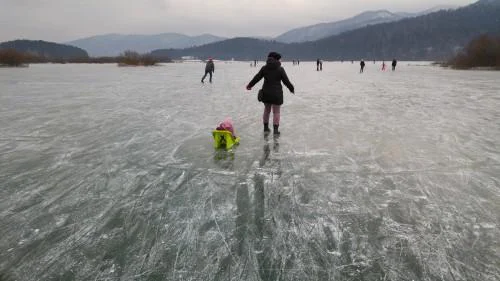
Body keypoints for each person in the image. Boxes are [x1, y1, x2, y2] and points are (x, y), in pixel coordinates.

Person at [246, 52, 294, 135]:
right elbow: (286, 81)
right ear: (276, 59)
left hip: (266, 93)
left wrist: (250, 85)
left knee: (267, 111)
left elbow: (257, 77)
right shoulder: (280, 69)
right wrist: (291, 88)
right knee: (276, 112)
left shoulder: (264, 68)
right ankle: (276, 130)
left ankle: (265, 128)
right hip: (277, 94)